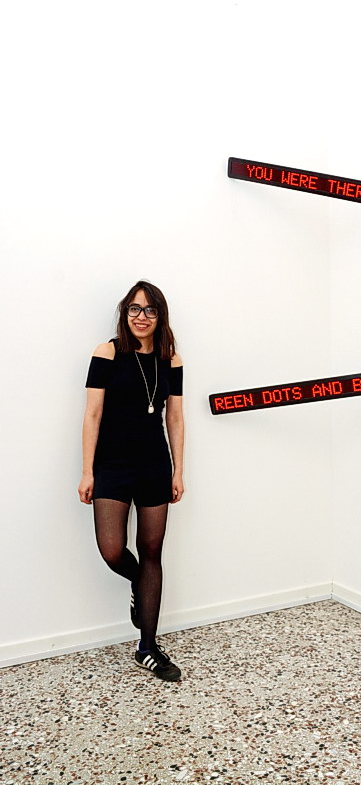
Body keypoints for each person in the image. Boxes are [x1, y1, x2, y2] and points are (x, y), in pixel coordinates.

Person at [78, 281, 184, 682]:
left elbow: (175, 417)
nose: (142, 317)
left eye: (150, 310)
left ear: (160, 316)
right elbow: (92, 414)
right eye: (134, 309)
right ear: (125, 313)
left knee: (152, 551)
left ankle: (147, 647)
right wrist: (88, 471)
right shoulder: (107, 352)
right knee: (111, 550)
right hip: (112, 465)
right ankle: (140, 583)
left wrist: (178, 470)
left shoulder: (170, 359)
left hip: (154, 464)